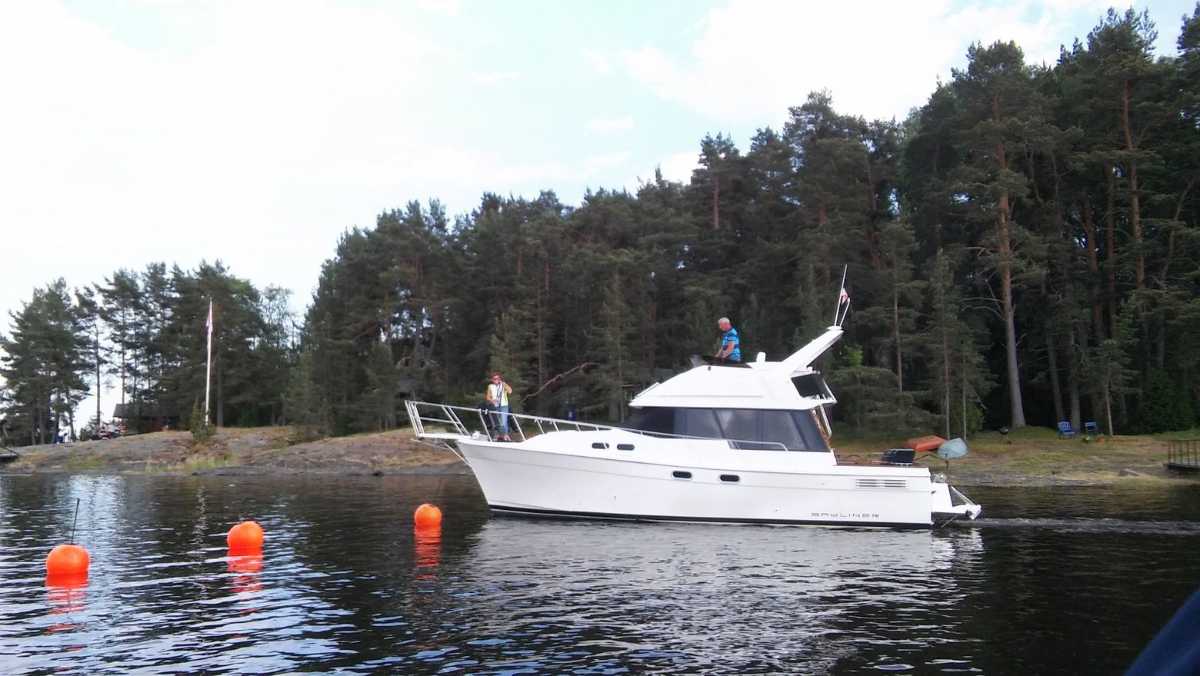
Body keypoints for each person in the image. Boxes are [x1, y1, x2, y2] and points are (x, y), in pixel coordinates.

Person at [485, 372, 514, 441]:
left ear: (500, 379)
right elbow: (488, 397)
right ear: (492, 380)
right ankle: (500, 435)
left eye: (497, 378)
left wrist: (504, 385)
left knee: (503, 421)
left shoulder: (503, 385)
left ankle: (505, 436)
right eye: (494, 379)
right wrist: (492, 400)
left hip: (504, 405)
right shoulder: (490, 386)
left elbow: (510, 391)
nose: (496, 380)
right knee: (498, 422)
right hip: (495, 406)